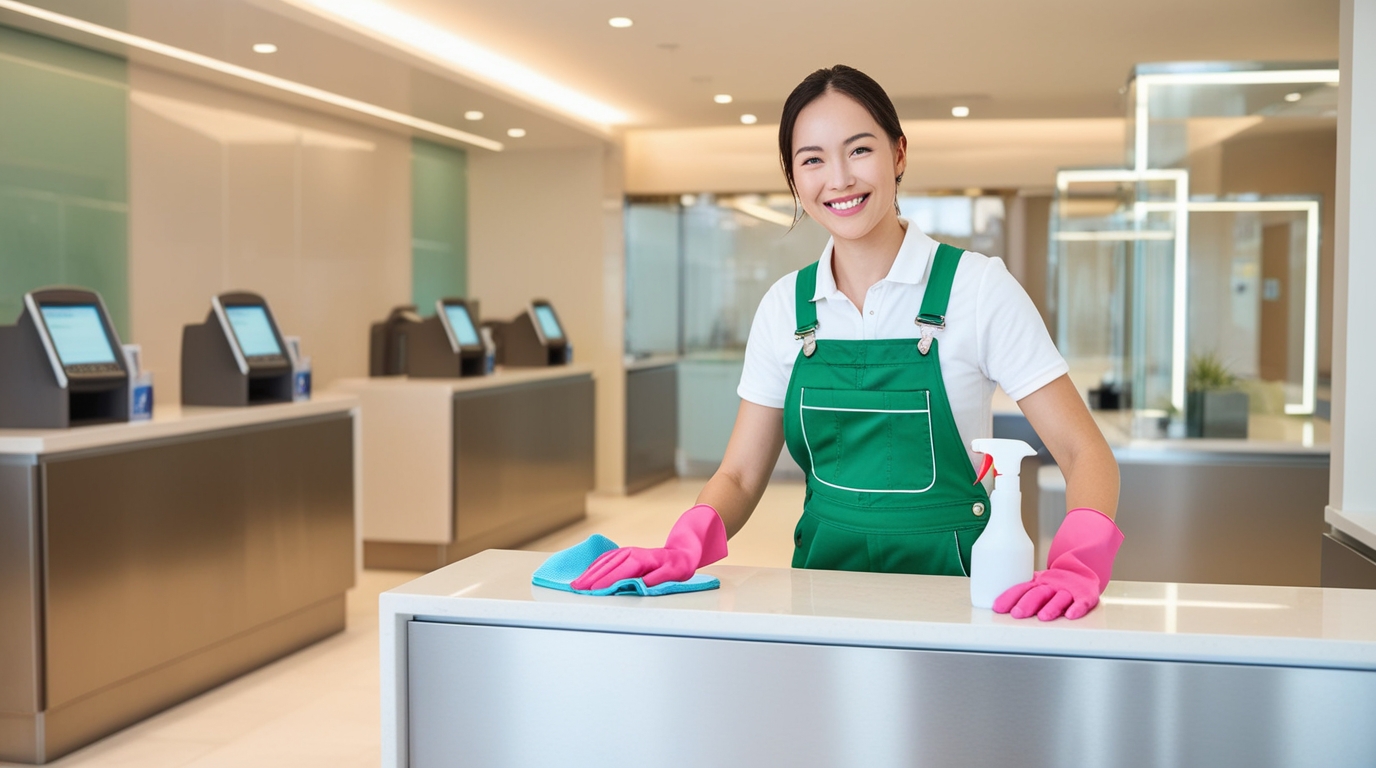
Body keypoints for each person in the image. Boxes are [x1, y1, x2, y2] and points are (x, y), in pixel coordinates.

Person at [574, 65, 1124, 621]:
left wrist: (1077, 563)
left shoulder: (977, 288)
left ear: (899, 154)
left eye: (859, 150)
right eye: (812, 159)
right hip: (820, 604)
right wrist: (682, 545)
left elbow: (1085, 453)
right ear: (794, 178)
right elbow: (739, 476)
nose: (838, 179)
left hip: (961, 608)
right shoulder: (785, 308)